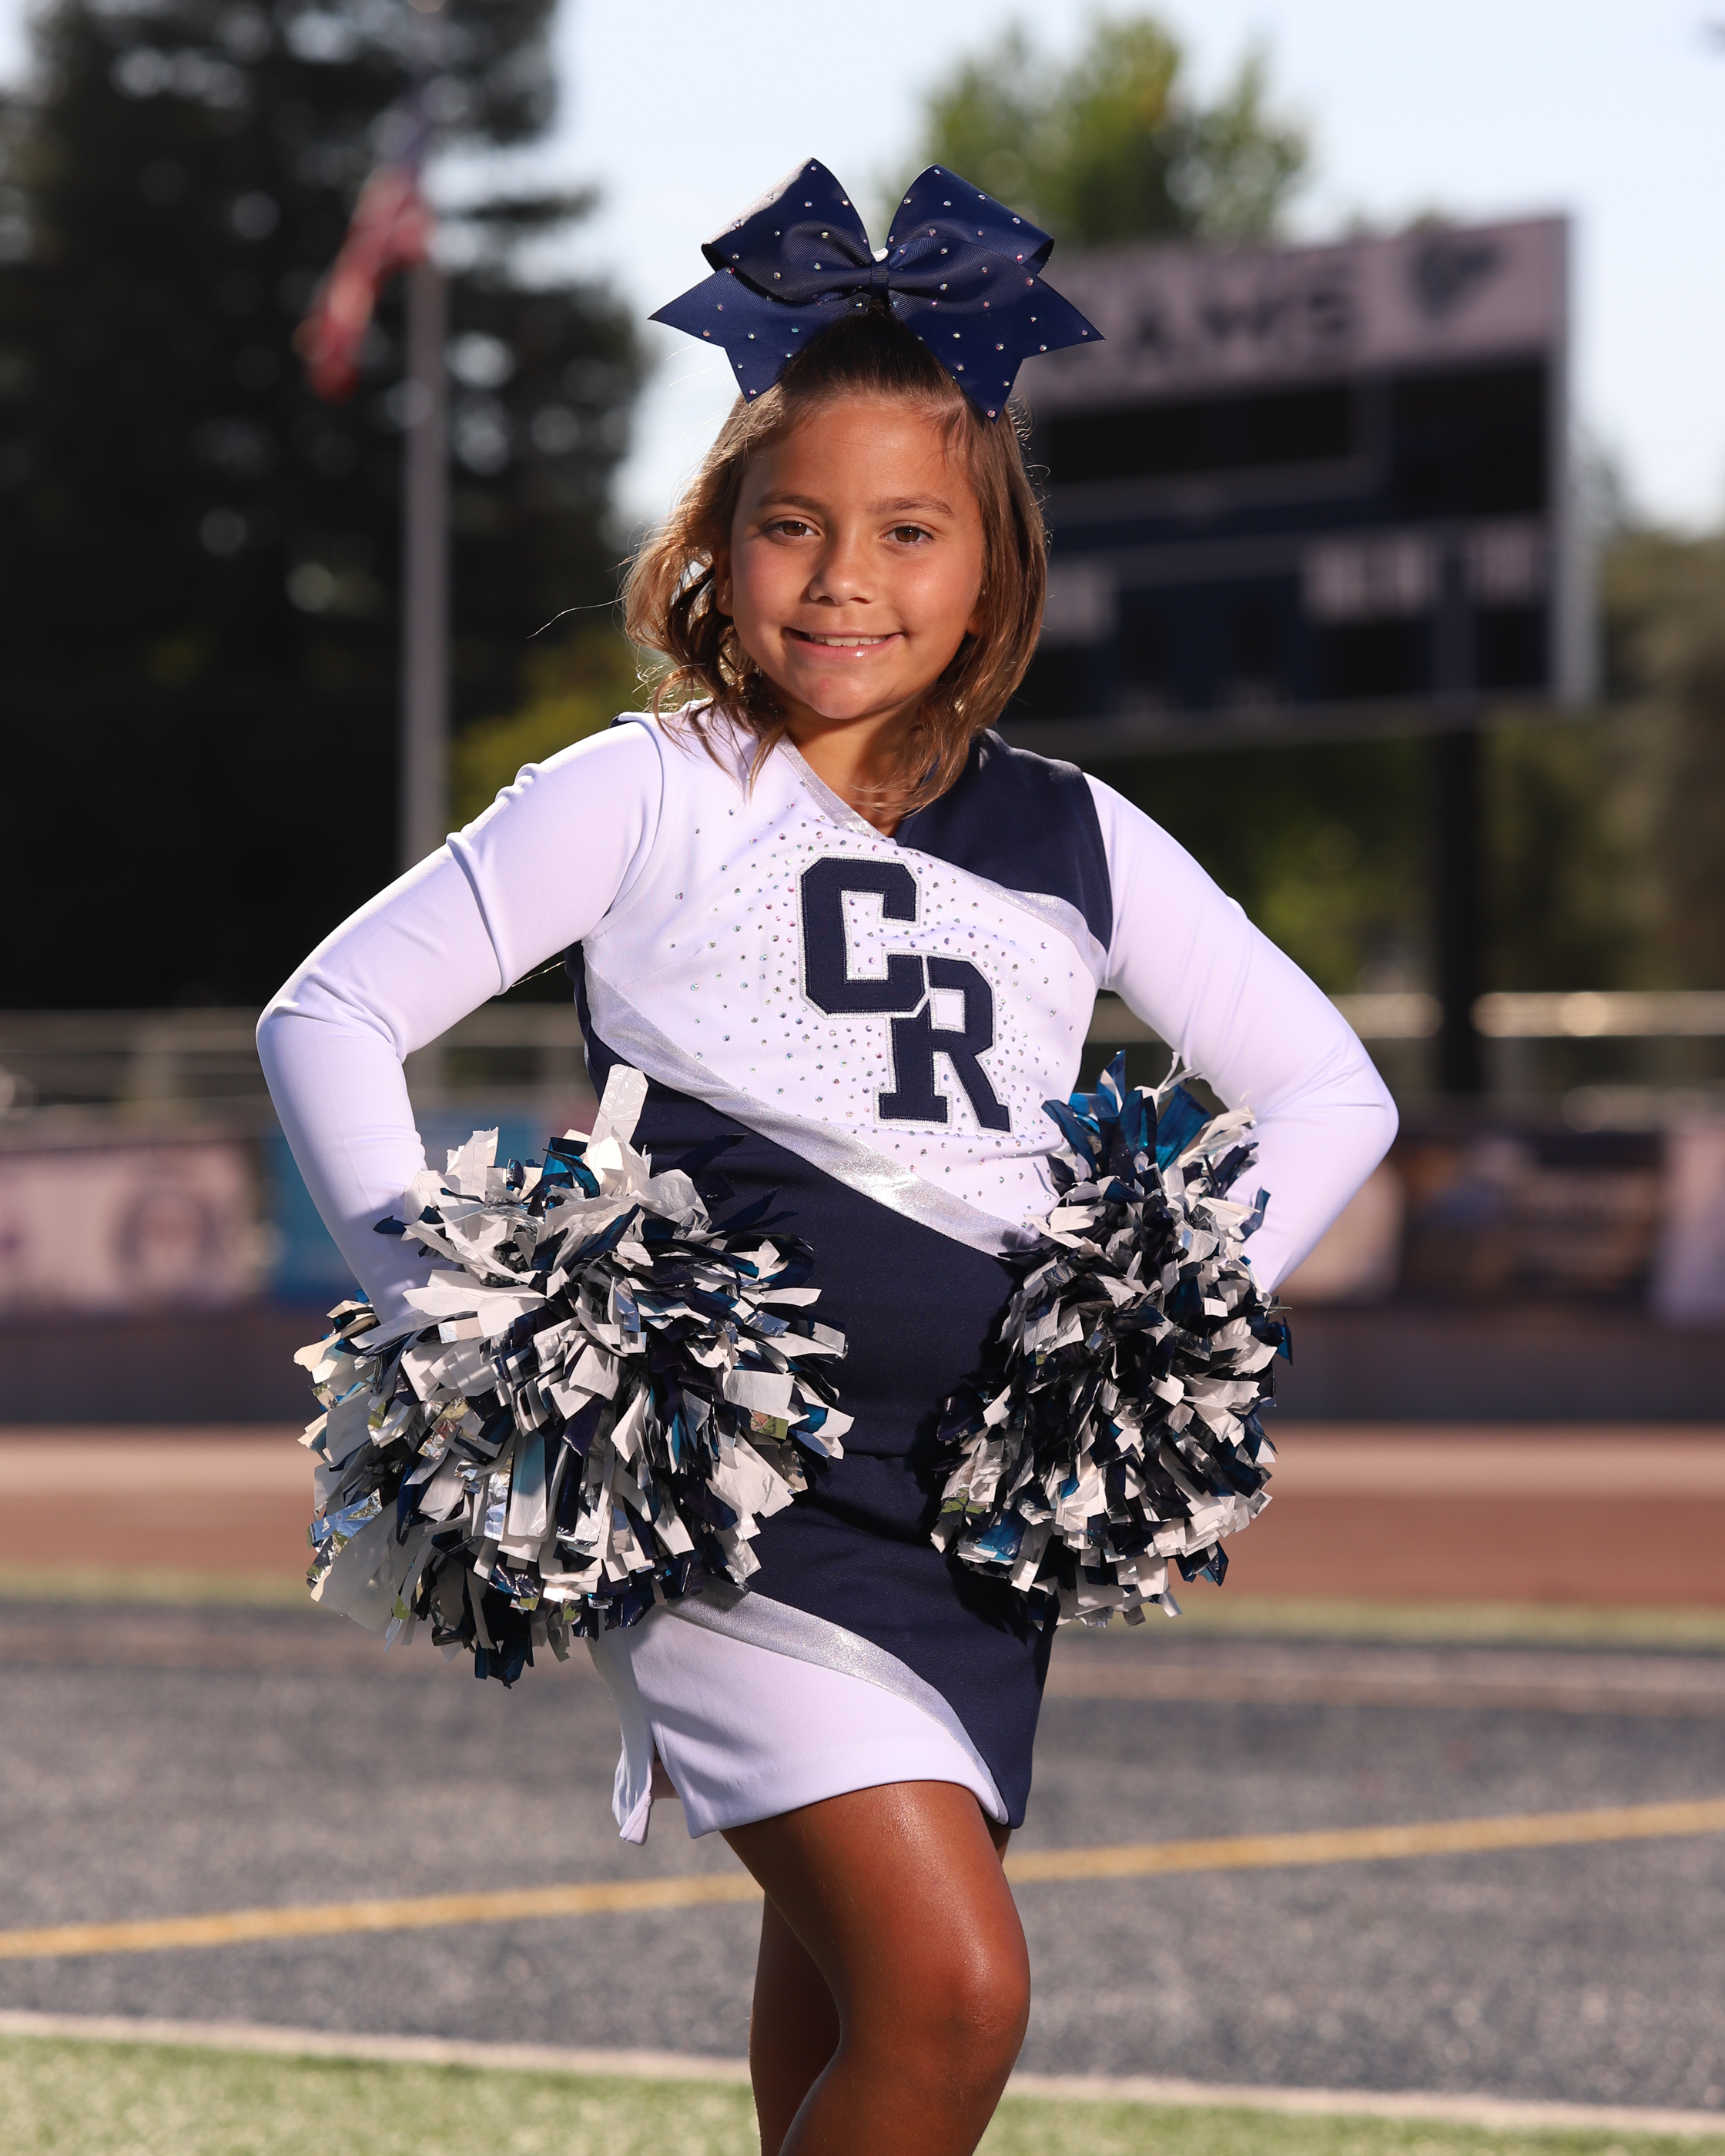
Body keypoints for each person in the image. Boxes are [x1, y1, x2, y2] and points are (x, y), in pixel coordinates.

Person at [258, 159, 1398, 2156]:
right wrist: (459, 1328)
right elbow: (329, 1013)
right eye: (792, 524)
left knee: (854, 2013)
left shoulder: (1077, 834)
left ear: (993, 564)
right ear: (719, 542)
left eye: (907, 531)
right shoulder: (646, 790)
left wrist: (1145, 1324)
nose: (843, 576)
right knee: (955, 1995)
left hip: (973, 1509)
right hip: (729, 1494)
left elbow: (1330, 1094)